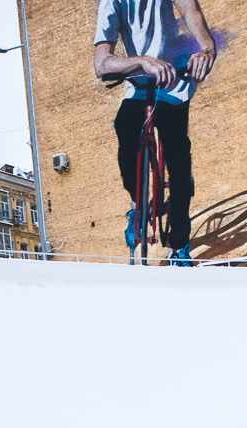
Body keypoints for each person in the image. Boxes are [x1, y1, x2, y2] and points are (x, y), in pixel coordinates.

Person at [92, 0, 215, 266]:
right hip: (139, 87)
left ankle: (180, 245)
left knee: (179, 160)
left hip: (176, 87)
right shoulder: (111, 3)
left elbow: (192, 14)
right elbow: (102, 64)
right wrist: (143, 61)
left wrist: (206, 49)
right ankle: (138, 204)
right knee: (124, 127)